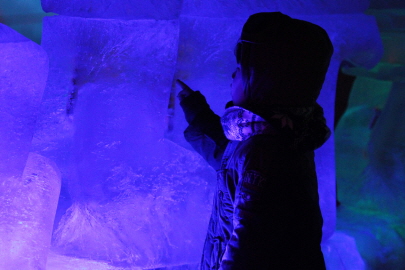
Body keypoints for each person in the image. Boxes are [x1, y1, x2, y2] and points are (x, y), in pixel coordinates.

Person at [177, 12, 333, 270]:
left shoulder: (266, 149)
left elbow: (250, 241)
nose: (232, 77)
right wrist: (196, 112)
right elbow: (230, 160)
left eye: (239, 71)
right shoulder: (280, 134)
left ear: (264, 82)